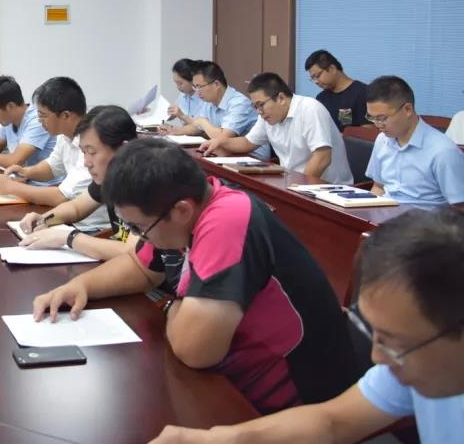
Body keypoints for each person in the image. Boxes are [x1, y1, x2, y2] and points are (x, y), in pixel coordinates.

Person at [32, 138, 361, 414]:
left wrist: (171, 306)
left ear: (181, 210)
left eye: (139, 228)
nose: (140, 236)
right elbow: (139, 266)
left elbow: (196, 350)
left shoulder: (228, 219)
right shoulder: (180, 209)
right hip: (235, 384)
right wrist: (80, 285)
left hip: (294, 404)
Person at [148, 207, 464, 444]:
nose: (376, 357)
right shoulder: (413, 361)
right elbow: (332, 422)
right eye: (374, 333)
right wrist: (214, 439)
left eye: (394, 343)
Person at [17, 105, 187, 291]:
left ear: (123, 149)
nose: (86, 163)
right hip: (131, 275)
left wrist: (69, 238)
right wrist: (44, 220)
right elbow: (76, 208)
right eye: (83, 152)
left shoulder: (145, 184)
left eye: (92, 152)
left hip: (156, 287)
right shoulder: (108, 178)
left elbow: (133, 252)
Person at [201, 72, 353, 184]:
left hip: (326, 188)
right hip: (291, 181)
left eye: (260, 105)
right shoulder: (266, 116)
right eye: (255, 107)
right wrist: (220, 142)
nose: (259, 112)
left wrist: (299, 188)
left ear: (281, 98)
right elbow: (248, 142)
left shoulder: (309, 109)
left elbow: (322, 157)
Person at [0, 76, 91, 206]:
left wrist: (10, 187)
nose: (40, 121)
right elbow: (52, 166)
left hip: (90, 218)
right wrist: (25, 172)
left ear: (65, 116)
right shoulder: (64, 135)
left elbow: (61, 197)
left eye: (43, 116)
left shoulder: (91, 145)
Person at [365, 75, 464, 206]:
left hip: (425, 218)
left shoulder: (443, 151)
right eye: (372, 118)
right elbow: (378, 187)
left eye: (382, 118)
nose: (377, 124)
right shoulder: (382, 140)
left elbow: (460, 206)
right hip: (385, 214)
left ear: (408, 110)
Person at [167, 61, 268, 158]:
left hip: (253, 158)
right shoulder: (209, 101)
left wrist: (203, 122)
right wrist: (173, 131)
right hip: (226, 153)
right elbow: (196, 127)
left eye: (199, 87)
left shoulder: (239, 103)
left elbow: (223, 138)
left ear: (216, 84)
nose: (197, 92)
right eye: (195, 87)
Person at [305, 50, 369, 132]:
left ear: (332, 69)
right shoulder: (321, 98)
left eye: (317, 76)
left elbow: (369, 132)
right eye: (313, 78)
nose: (316, 81)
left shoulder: (363, 93)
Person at [166, 58, 210, 126]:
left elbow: (201, 128)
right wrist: (168, 115)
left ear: (192, 80)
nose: (178, 87)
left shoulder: (204, 98)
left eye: (180, 83)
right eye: (176, 83)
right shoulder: (182, 95)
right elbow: (173, 113)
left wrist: (182, 116)